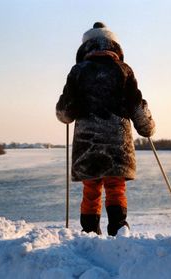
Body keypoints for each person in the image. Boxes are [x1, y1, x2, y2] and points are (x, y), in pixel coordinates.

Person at [56, 22, 155, 236]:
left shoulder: (78, 72)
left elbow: (65, 112)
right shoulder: (123, 70)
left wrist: (64, 112)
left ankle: (90, 232)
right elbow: (136, 105)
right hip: (117, 142)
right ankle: (119, 228)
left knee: (91, 189)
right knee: (115, 187)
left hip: (87, 143)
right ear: (114, 45)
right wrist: (146, 127)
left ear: (86, 47)